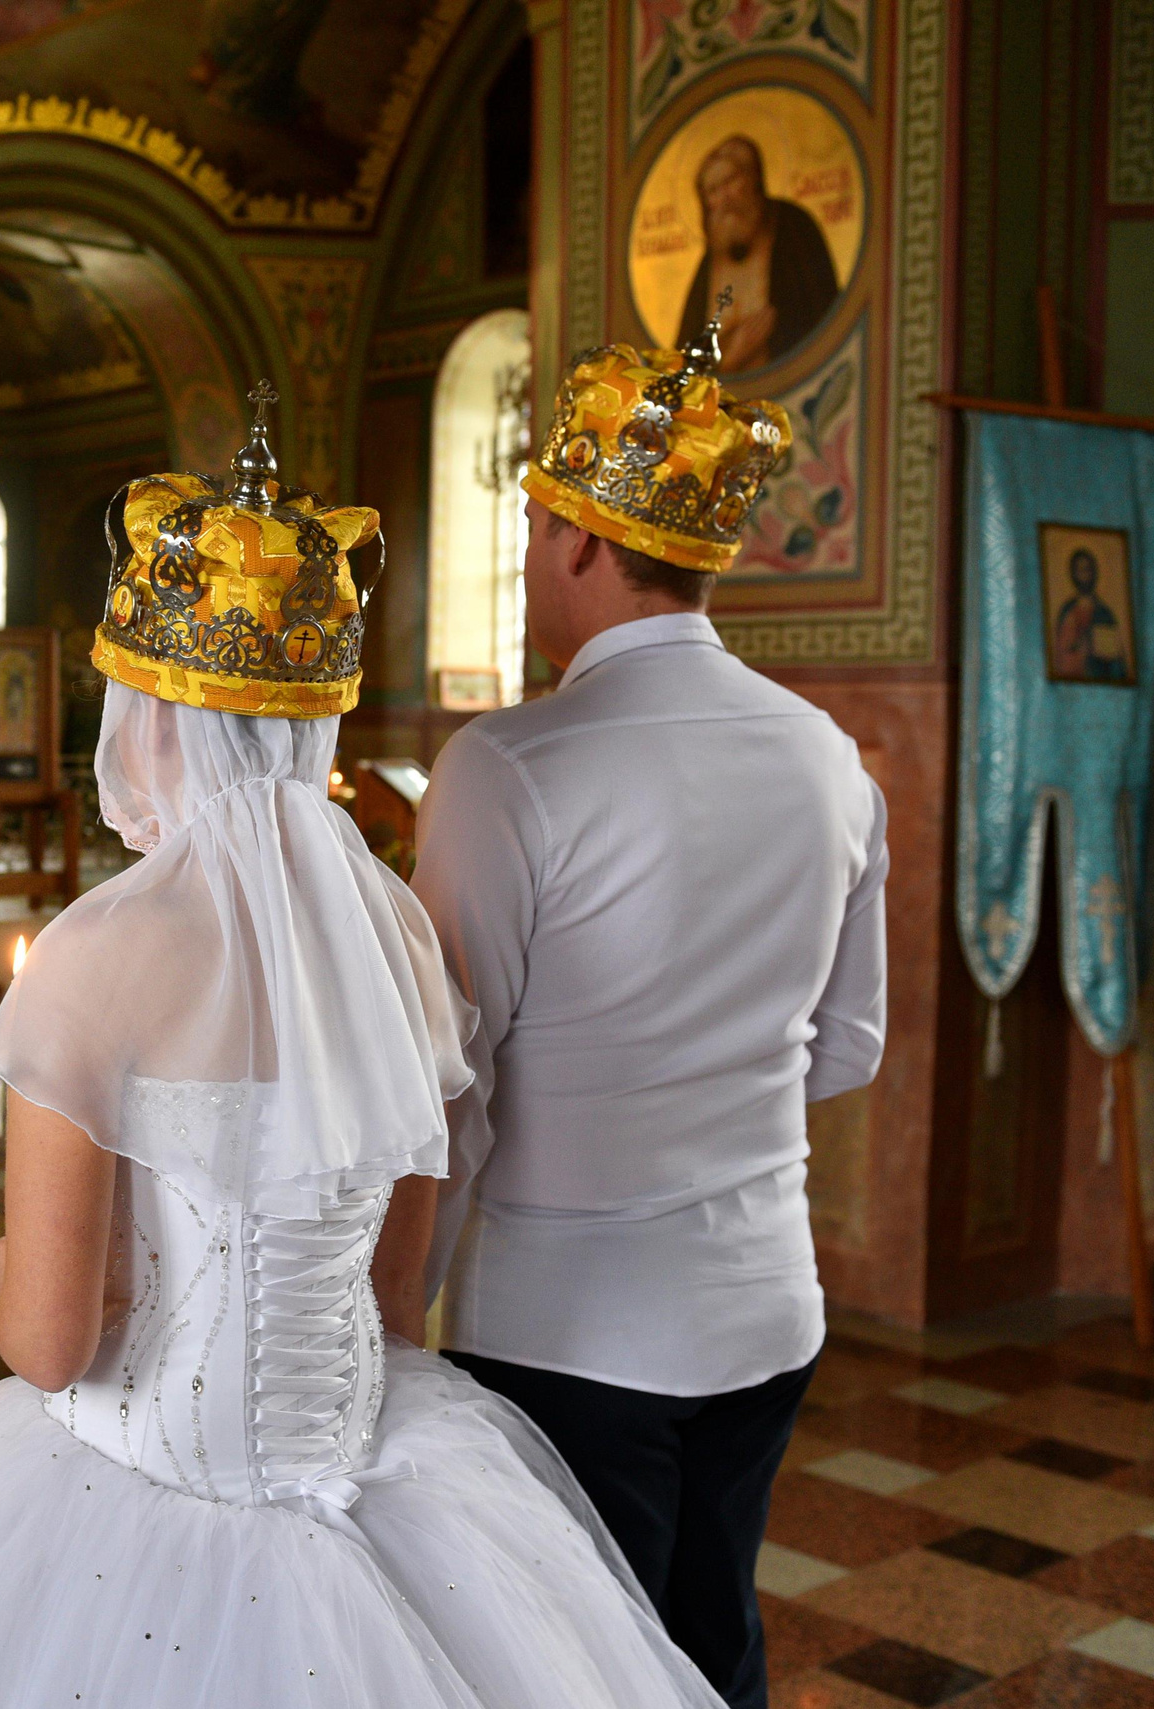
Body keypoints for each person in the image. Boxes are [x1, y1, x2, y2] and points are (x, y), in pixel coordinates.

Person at [0, 423, 727, 1708]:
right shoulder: (398, 937)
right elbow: (397, 1287)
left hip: (145, 1480)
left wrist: (10, 1274)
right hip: (375, 1458)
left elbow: (45, 1342)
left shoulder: (98, 952)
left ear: (152, 718)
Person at [408, 325, 886, 1709]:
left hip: (564, 1329)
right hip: (765, 1310)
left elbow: (452, 1080)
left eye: (536, 525)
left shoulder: (507, 765)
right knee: (711, 1640)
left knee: (562, 1671)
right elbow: (846, 1045)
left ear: (577, 544)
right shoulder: (828, 756)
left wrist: (388, 1311)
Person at [678, 136, 840, 373]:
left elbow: (820, 318)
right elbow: (683, 361)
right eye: (713, 190)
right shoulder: (710, 261)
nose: (725, 197)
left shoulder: (793, 227)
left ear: (753, 178)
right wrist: (730, 357)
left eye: (730, 181)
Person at [1052, 548, 1128, 682]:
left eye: (1087, 569)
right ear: (1073, 574)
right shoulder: (1066, 610)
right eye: (1079, 570)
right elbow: (1060, 654)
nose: (1084, 576)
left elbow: (1115, 661)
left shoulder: (1104, 613)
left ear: (1094, 573)